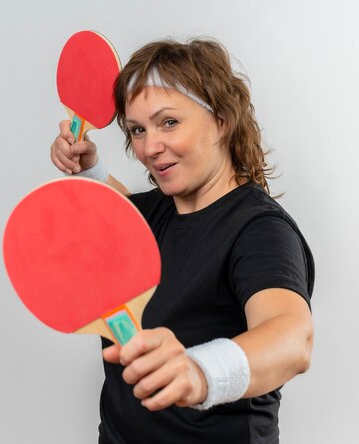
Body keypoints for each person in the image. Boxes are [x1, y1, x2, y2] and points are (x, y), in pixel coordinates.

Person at [50, 37, 315, 444]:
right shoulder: (157, 211)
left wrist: (200, 371)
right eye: (138, 130)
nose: (151, 148)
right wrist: (91, 168)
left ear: (222, 119)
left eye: (169, 122)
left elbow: (291, 337)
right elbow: (124, 214)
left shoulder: (260, 230)